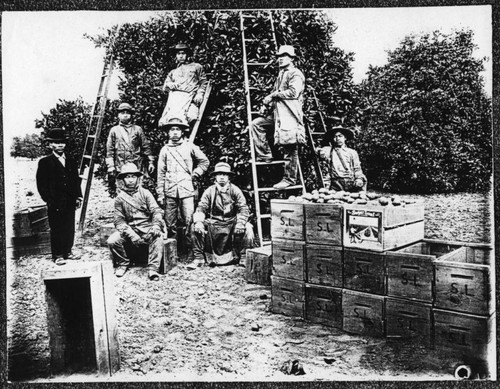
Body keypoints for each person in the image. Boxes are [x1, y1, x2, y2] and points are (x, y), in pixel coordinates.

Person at [248, 45, 306, 189]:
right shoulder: (281, 74)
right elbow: (275, 94)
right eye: (279, 56)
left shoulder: (295, 74)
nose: (280, 59)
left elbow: (293, 93)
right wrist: (266, 106)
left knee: (290, 148)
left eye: (284, 56)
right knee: (256, 124)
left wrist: (273, 95)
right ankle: (265, 155)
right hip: (278, 115)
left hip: (290, 116)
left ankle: (289, 179)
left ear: (292, 58)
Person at [156, 117, 209, 257]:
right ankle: (173, 252)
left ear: (182, 131)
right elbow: (160, 173)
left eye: (177, 129)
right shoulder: (164, 150)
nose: (174, 132)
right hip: (170, 190)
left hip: (187, 189)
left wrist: (197, 172)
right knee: (170, 223)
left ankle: (193, 251)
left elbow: (204, 161)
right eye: (171, 129)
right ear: (167, 132)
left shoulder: (189, 146)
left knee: (190, 221)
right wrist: (160, 193)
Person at [107, 163, 164, 281]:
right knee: (112, 241)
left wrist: (156, 225)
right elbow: (118, 220)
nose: (131, 180)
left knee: (158, 238)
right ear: (123, 179)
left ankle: (153, 268)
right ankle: (123, 263)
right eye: (127, 177)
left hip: (146, 227)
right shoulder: (120, 198)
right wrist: (131, 233)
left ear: (137, 178)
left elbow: (156, 211)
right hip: (129, 229)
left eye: (133, 177)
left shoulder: (145, 193)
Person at [191, 162, 252, 268]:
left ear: (229, 177)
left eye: (225, 174)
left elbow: (243, 208)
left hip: (231, 222)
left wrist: (240, 223)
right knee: (194, 226)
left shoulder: (235, 190)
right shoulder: (209, 191)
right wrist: (199, 222)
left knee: (248, 228)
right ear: (215, 176)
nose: (222, 177)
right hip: (214, 223)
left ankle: (243, 257)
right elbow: (201, 207)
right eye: (219, 174)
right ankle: (199, 258)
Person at [36, 128, 83, 265]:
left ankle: (68, 251)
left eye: (62, 142)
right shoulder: (45, 162)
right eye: (56, 143)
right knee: (57, 228)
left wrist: (78, 197)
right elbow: (42, 184)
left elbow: (75, 181)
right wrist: (49, 200)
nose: (60, 145)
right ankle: (57, 255)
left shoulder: (71, 161)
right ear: (50, 145)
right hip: (55, 202)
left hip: (69, 201)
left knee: (69, 226)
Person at [106, 102, 155, 191]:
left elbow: (145, 147)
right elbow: (110, 151)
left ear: (131, 115)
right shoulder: (114, 130)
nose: (125, 115)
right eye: (122, 113)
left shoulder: (137, 129)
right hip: (121, 165)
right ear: (118, 115)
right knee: (122, 191)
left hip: (136, 165)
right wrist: (111, 166)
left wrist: (151, 162)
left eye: (127, 113)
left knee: (137, 191)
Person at [159, 43, 208, 127]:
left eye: (183, 53)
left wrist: (200, 94)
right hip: (174, 100)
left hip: (190, 97)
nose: (181, 56)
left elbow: (203, 82)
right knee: (170, 121)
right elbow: (165, 87)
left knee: (191, 117)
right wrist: (170, 84)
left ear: (187, 55)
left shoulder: (196, 67)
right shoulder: (173, 72)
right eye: (178, 54)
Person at [318, 125, 367, 192]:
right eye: (335, 136)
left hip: (350, 182)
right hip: (335, 184)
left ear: (345, 138)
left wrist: (359, 179)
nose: (337, 138)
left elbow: (357, 169)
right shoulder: (328, 150)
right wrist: (319, 151)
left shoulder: (352, 152)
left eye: (340, 136)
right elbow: (319, 153)